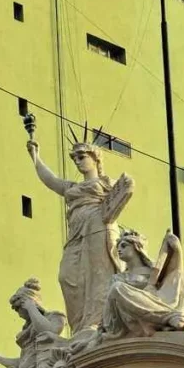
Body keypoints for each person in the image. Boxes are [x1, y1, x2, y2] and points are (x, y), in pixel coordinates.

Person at [26, 134, 133, 336]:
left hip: (98, 228)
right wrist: (35, 156)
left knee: (99, 275)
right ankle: (79, 328)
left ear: (95, 158)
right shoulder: (72, 188)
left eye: (82, 156)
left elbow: (124, 192)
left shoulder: (107, 183)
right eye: (75, 158)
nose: (77, 161)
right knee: (67, 276)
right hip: (75, 234)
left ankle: (98, 322)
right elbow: (50, 180)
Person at [100, 229, 184, 338]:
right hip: (131, 315)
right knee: (116, 288)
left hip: (158, 302)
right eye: (118, 247)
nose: (119, 250)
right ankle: (167, 317)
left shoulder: (154, 271)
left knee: (181, 275)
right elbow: (110, 307)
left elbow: (176, 279)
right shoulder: (118, 278)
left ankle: (167, 315)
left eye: (123, 246)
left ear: (136, 247)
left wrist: (177, 251)